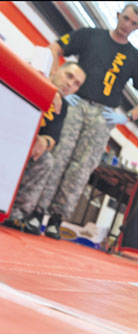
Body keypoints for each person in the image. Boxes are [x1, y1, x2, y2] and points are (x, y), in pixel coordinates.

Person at [28, 3, 138, 240]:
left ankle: (57, 219)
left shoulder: (135, 58)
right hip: (75, 105)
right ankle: (36, 211)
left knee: (81, 168)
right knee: (58, 158)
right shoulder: (90, 35)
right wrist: (55, 84)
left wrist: (126, 117)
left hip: (102, 116)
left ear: (137, 28)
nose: (127, 25)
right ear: (118, 15)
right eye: (125, 18)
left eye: (133, 23)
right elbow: (54, 47)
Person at [3, 62, 86, 233]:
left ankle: (16, 213)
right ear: (56, 71)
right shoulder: (32, 77)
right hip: (6, 137)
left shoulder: (61, 108)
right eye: (69, 76)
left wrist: (43, 141)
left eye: (77, 84)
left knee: (47, 161)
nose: (70, 84)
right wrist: (48, 90)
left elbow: (53, 137)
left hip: (24, 150)